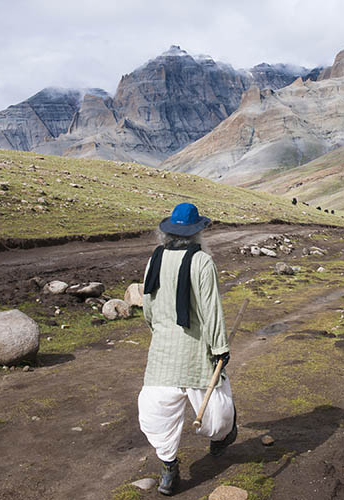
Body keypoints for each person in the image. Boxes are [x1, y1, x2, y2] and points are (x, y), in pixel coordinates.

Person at [137, 202, 237, 496]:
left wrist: (159, 332)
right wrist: (220, 348)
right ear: (197, 233)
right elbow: (212, 310)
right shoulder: (201, 261)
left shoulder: (155, 259)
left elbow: (148, 308)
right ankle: (169, 466)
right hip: (179, 349)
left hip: (178, 348)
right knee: (164, 411)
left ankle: (212, 440)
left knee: (163, 413)